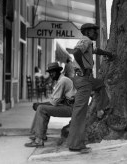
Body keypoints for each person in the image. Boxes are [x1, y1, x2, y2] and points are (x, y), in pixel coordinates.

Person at [67, 23, 114, 153]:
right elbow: (76, 52)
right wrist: (83, 67)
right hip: (83, 78)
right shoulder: (85, 40)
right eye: (94, 31)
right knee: (79, 112)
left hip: (86, 79)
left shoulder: (88, 43)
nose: (96, 34)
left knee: (101, 84)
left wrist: (108, 54)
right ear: (87, 32)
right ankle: (75, 144)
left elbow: (96, 51)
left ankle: (100, 109)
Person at [25, 62, 77, 147]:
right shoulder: (61, 80)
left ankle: (39, 139)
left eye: (53, 72)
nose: (51, 75)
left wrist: (40, 104)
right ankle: (39, 134)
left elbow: (54, 102)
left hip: (71, 108)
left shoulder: (62, 81)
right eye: (50, 73)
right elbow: (54, 100)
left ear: (57, 71)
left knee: (41, 108)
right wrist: (41, 104)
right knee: (42, 107)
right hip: (69, 106)